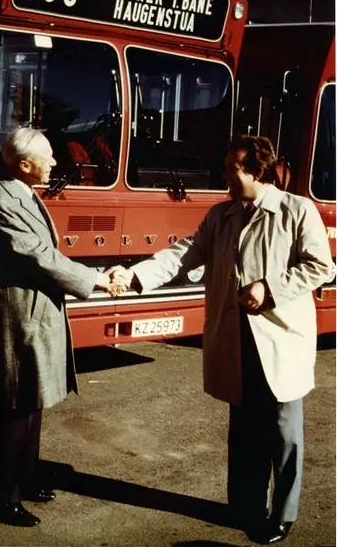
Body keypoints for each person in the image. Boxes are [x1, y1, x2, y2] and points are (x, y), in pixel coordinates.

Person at [108, 135, 334, 544]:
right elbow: (183, 255)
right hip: (235, 338)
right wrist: (134, 274)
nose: (225, 175)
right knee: (244, 428)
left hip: (280, 340)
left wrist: (269, 288)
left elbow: (321, 267)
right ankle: (246, 506)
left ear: (258, 171)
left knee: (284, 432)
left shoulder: (297, 210)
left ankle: (283, 514)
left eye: (233, 169)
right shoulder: (220, 214)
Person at [0, 127, 122, 527]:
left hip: (35, 311)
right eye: (49, 157)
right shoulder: (2, 199)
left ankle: (25, 477)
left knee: (32, 399)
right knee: (17, 405)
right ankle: (2, 497)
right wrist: (97, 280)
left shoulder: (22, 192)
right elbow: (41, 255)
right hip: (21, 315)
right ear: (25, 165)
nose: (56, 162)